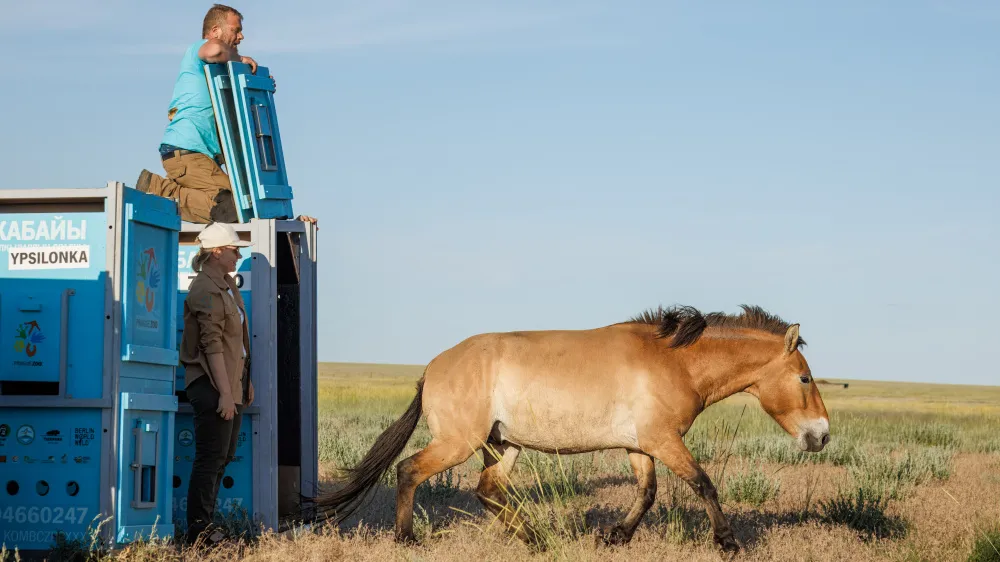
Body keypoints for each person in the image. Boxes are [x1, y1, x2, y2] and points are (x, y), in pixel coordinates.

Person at [135, 4, 271, 224]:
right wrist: (239, 58)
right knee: (235, 207)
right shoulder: (198, 50)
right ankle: (159, 190)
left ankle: (168, 196)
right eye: (235, 30)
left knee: (243, 205)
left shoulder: (221, 71)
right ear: (215, 31)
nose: (241, 36)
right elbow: (215, 50)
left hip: (199, 157)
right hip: (187, 152)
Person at [179, 221, 253, 544]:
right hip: (211, 386)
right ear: (218, 251)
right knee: (210, 458)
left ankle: (206, 528)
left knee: (222, 456)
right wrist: (224, 392)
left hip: (228, 385)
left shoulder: (225, 285)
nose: (238, 255)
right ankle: (199, 532)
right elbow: (211, 346)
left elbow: (235, 343)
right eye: (235, 250)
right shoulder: (205, 289)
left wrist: (241, 383)